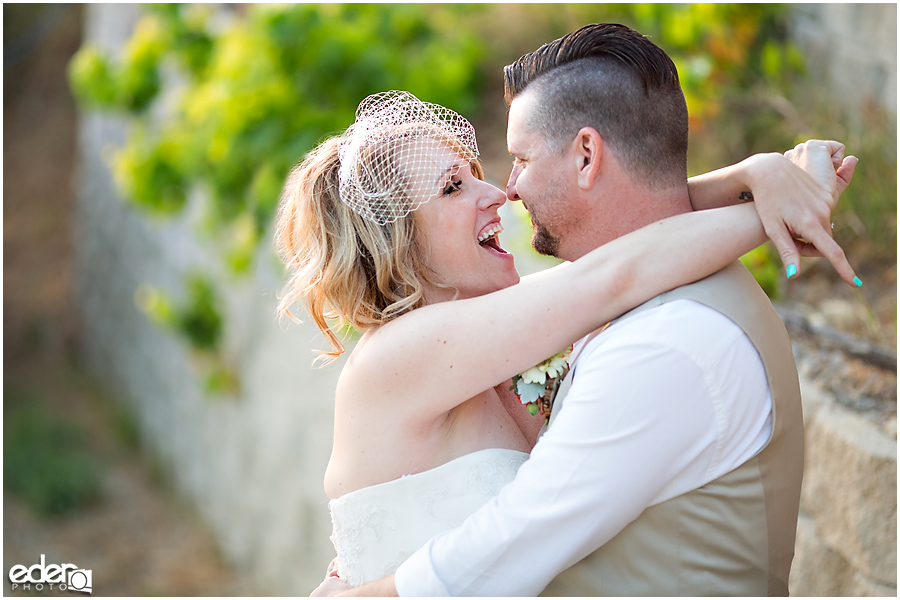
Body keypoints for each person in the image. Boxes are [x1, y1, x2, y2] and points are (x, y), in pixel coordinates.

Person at [311, 24, 860, 597]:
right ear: (403, 243)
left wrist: (760, 178)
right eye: (453, 188)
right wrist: (772, 208)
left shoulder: (529, 340)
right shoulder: (406, 352)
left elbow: (637, 240)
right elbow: (623, 267)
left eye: (499, 166)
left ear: (586, 156)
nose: (503, 192)